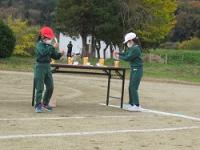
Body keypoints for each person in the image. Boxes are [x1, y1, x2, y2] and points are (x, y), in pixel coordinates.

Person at [34, 26, 64, 113]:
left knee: (50, 87)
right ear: (42, 37)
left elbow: (54, 56)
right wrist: (52, 47)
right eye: (48, 38)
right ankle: (38, 105)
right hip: (40, 66)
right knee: (40, 87)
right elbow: (43, 52)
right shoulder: (39, 45)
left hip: (47, 66)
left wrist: (60, 54)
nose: (49, 39)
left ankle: (45, 103)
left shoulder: (49, 46)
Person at [114, 32, 143, 111]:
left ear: (131, 41)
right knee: (130, 87)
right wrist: (118, 53)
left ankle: (136, 105)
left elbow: (128, 57)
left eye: (127, 42)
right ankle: (131, 103)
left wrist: (118, 56)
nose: (127, 43)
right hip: (134, 69)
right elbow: (126, 53)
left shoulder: (136, 49)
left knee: (133, 87)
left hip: (138, 69)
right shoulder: (132, 48)